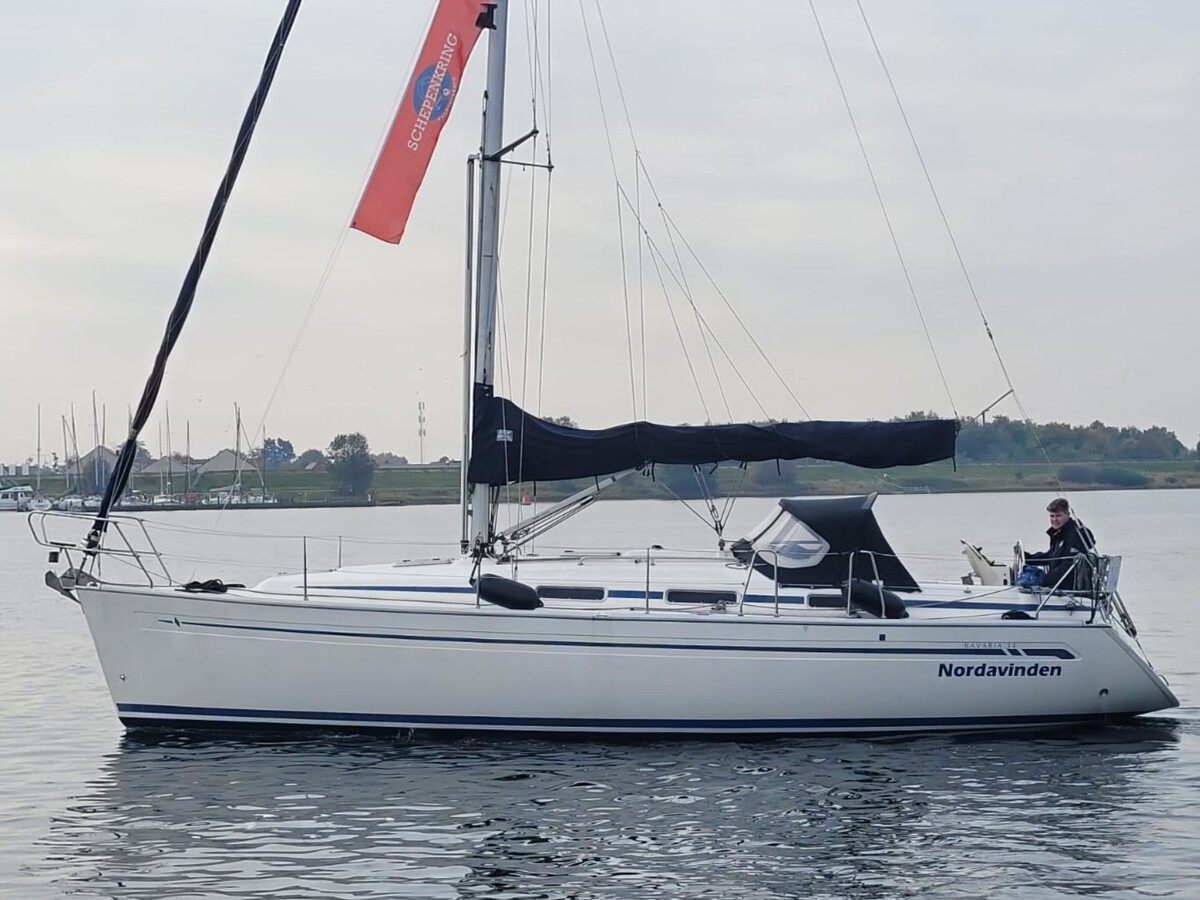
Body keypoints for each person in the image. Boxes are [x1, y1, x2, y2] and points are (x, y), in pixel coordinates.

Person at [1024, 498, 1095, 588]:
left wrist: (1044, 580)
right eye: (1052, 516)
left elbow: (1069, 565)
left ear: (1068, 515)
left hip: (1070, 588)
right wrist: (1028, 558)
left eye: (1058, 516)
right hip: (1056, 586)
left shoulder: (1076, 535)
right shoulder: (1059, 534)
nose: (1054, 519)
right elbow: (1051, 557)